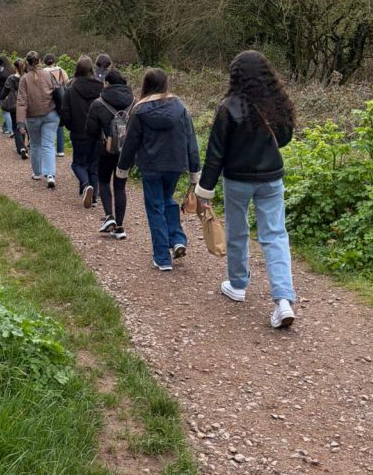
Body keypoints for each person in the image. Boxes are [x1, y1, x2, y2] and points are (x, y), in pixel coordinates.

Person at [194, 50, 297, 329]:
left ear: (235, 75)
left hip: (237, 180)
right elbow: (285, 138)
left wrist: (203, 192)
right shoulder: (277, 103)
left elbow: (215, 154)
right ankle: (283, 300)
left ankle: (238, 285)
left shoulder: (228, 106)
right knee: (275, 235)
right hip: (271, 178)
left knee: (238, 231)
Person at [116, 68, 200, 272]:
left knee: (155, 207)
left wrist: (122, 168)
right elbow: (190, 138)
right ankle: (178, 239)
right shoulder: (179, 106)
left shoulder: (139, 109)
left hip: (151, 165)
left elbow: (130, 141)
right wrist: (194, 170)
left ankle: (162, 257)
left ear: (146, 84)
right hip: (175, 164)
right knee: (167, 199)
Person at [86, 68, 134, 239]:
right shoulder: (134, 102)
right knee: (120, 186)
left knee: (104, 182)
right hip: (127, 152)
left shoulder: (99, 103)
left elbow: (90, 131)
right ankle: (120, 227)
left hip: (106, 151)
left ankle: (109, 217)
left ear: (107, 83)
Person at [61, 55, 102, 207]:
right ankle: (94, 196)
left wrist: (70, 126)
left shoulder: (71, 89)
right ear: (91, 69)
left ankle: (85, 185)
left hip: (79, 132)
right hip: (97, 132)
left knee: (78, 163)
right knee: (94, 164)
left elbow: (65, 111)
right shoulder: (101, 87)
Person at [16, 51, 60, 189]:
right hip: (51, 114)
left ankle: (37, 173)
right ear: (39, 61)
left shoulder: (24, 79)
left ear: (27, 63)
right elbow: (57, 92)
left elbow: (21, 102)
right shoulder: (48, 74)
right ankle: (50, 175)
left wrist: (20, 122)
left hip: (32, 117)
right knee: (48, 144)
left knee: (35, 145)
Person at [1, 59, 29, 159]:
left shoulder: (11, 78)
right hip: (25, 103)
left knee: (16, 126)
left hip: (14, 104)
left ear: (15, 67)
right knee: (24, 124)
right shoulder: (26, 77)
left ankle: (21, 147)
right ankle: (26, 143)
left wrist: (2, 97)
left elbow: (4, 92)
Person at [44, 54, 68, 157]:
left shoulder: (44, 72)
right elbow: (66, 81)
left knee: (48, 124)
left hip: (49, 100)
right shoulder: (61, 70)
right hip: (60, 98)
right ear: (54, 61)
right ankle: (60, 150)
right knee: (60, 124)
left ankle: (49, 148)